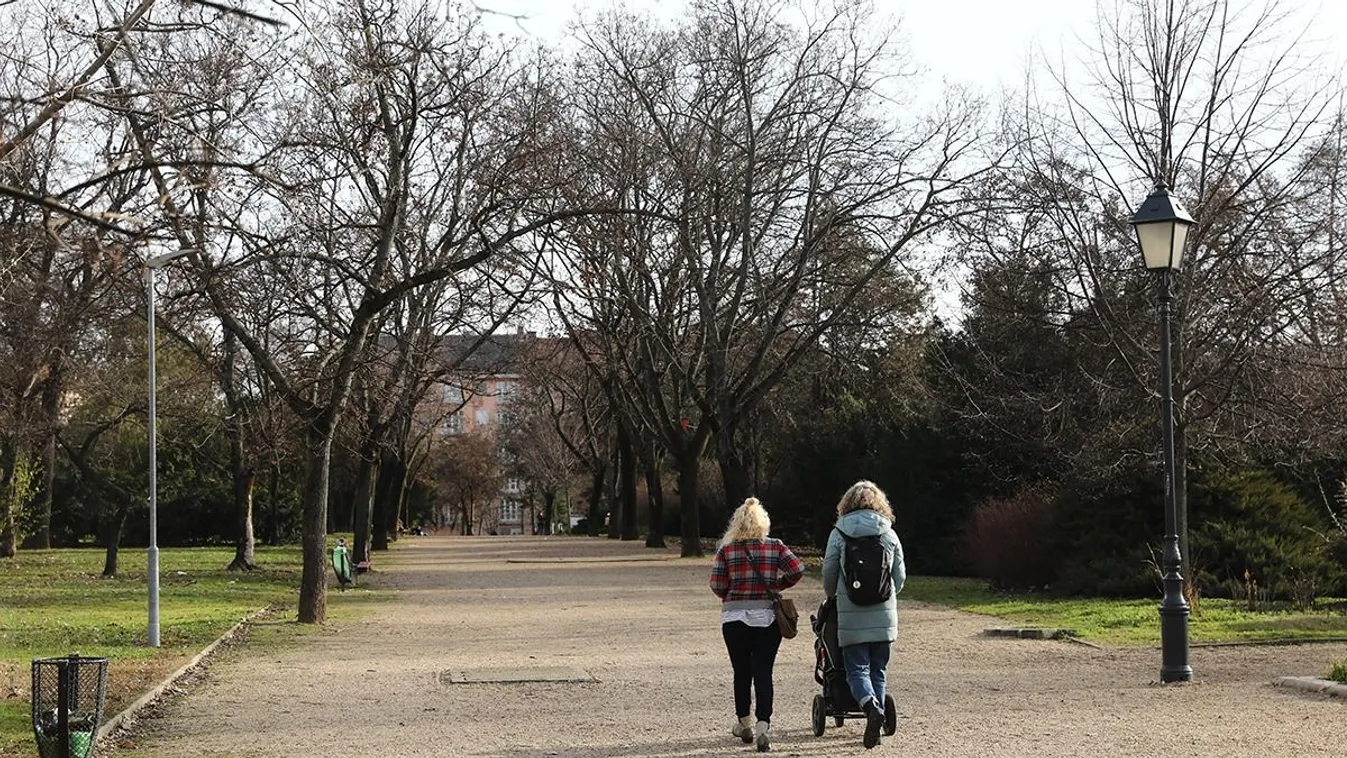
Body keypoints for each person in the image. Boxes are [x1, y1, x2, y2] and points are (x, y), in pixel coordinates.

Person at [709, 497, 804, 753]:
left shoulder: (726, 551)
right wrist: (777, 586)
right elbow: (797, 569)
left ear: (736, 524)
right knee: (764, 671)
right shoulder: (776, 547)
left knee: (741, 671)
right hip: (768, 618)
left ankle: (745, 724)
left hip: (734, 619)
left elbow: (717, 585)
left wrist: (732, 593)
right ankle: (764, 725)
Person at [821, 480, 906, 749]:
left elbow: (829, 574)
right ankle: (877, 724)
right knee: (878, 669)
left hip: (852, 613)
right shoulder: (889, 533)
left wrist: (833, 595)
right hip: (884, 615)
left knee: (856, 669)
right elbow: (900, 577)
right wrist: (890, 593)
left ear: (846, 504)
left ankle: (871, 708)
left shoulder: (839, 533)